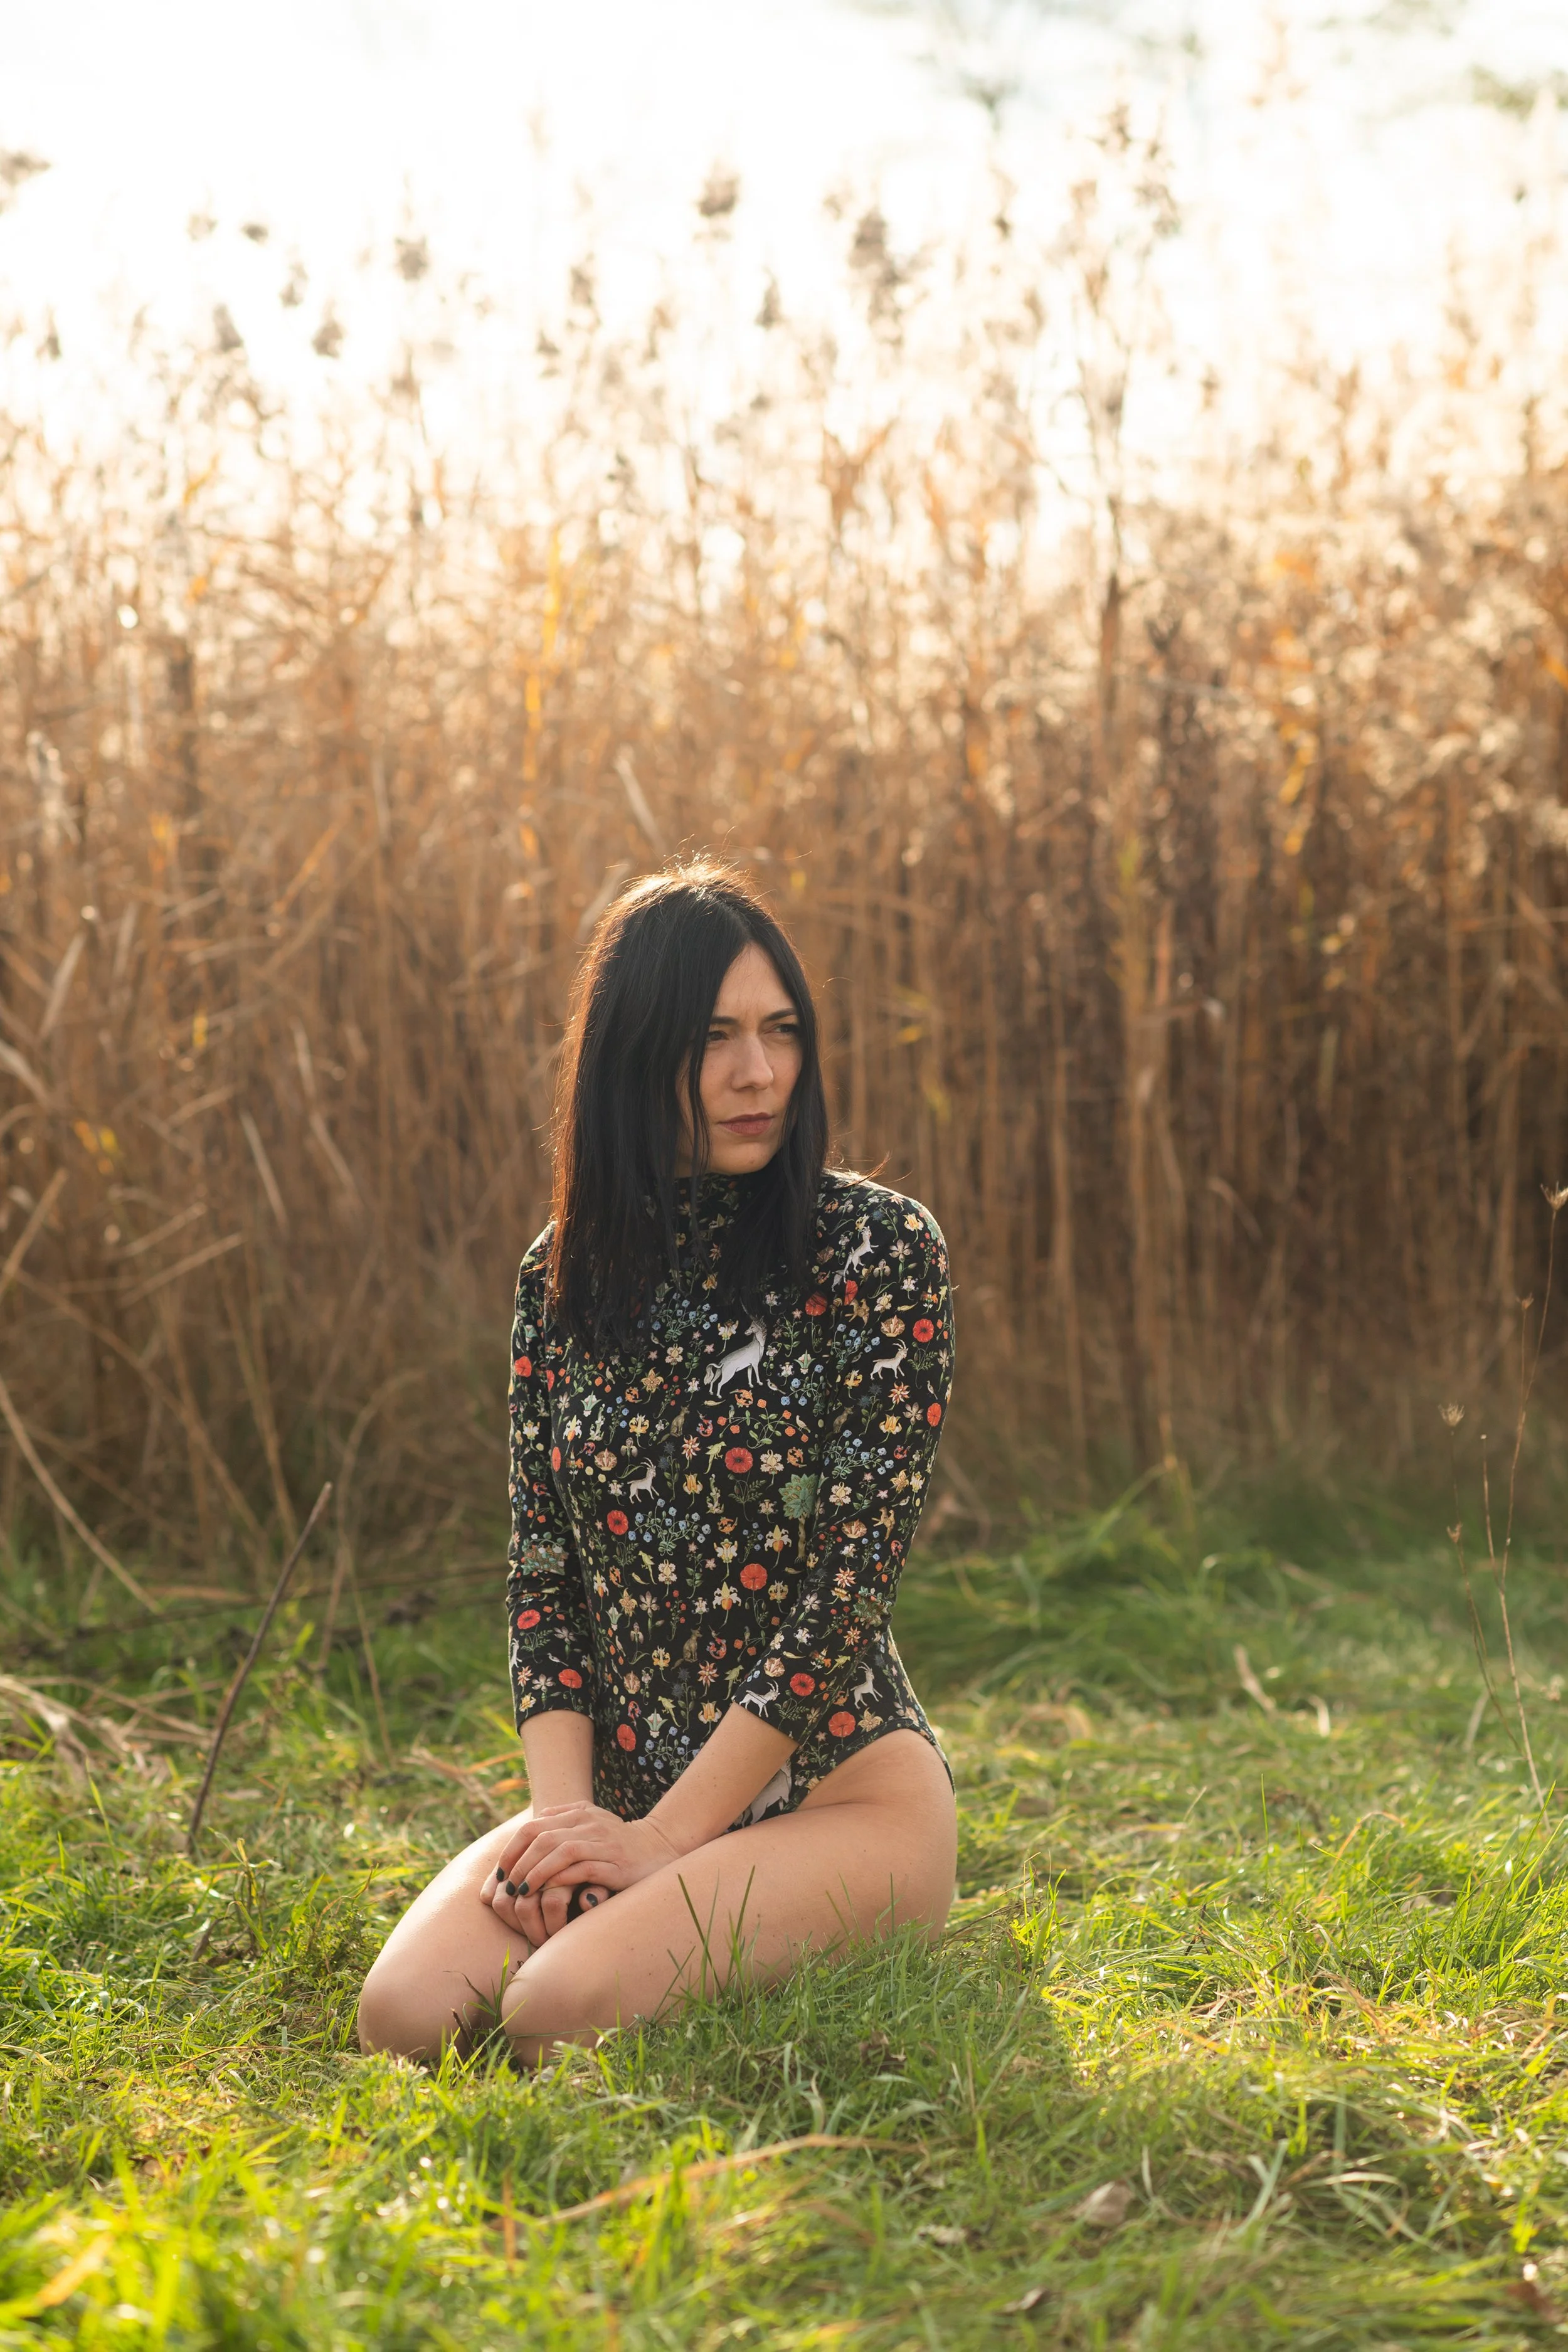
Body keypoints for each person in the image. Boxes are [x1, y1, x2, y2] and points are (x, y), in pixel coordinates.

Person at [358, 861, 957, 2064]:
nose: (759, 1072)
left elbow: (845, 1593)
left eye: (780, 1031)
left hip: (844, 1796)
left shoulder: (878, 1250)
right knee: (408, 2016)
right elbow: (544, 1581)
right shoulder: (562, 1274)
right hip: (625, 1798)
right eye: (713, 1037)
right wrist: (567, 1822)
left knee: (549, 2008)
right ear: (634, 1056)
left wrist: (666, 1841)